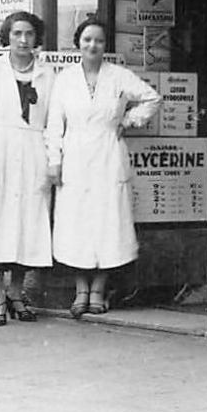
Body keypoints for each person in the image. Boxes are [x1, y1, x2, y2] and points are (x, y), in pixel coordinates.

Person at [46, 16, 160, 317]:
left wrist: (128, 121)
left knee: (107, 223)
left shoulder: (119, 76)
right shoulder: (65, 80)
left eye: (98, 40)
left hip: (109, 155)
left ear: (105, 45)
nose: (92, 45)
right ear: (78, 44)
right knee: (77, 224)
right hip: (75, 158)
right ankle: (80, 290)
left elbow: (151, 98)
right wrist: (54, 162)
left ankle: (98, 290)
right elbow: (55, 124)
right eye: (87, 40)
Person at [0, 10, 56, 326]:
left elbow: (53, 121)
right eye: (16, 33)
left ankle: (17, 294)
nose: (22, 40)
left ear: (36, 39)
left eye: (29, 34)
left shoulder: (48, 75)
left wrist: (51, 157)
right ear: (7, 37)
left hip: (33, 153)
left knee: (26, 226)